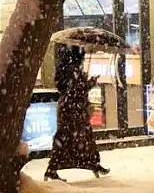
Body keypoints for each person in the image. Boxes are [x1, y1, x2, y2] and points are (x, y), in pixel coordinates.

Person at [44, 44, 109, 181]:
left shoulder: (66, 69)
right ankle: (54, 168)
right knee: (71, 137)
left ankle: (91, 163)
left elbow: (72, 89)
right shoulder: (72, 70)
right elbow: (77, 90)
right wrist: (89, 82)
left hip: (70, 108)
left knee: (76, 137)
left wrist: (85, 81)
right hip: (72, 109)